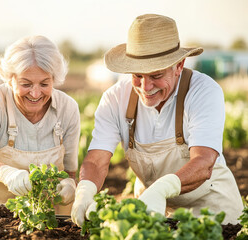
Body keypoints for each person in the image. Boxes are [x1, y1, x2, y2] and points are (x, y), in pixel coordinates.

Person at [71, 14, 244, 225]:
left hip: (213, 213)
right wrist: (85, 190)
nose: (145, 87)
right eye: (138, 75)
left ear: (179, 65)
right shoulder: (115, 98)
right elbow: (97, 161)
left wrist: (161, 190)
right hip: (152, 210)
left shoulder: (203, 91)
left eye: (156, 75)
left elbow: (203, 162)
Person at [0, 35, 80, 214]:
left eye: (44, 84)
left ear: (54, 79)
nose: (35, 93)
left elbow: (70, 171)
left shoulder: (68, 108)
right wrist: (6, 173)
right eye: (25, 84)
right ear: (10, 79)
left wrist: (69, 184)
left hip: (48, 217)